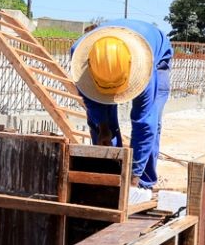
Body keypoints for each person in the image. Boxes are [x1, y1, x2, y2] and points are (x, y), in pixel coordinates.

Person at [70, 19, 172, 204]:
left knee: (151, 121)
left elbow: (144, 124)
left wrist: (133, 181)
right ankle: (110, 174)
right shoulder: (80, 53)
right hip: (107, 66)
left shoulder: (146, 68)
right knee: (99, 122)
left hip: (157, 57)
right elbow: (91, 101)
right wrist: (102, 127)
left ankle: (143, 182)